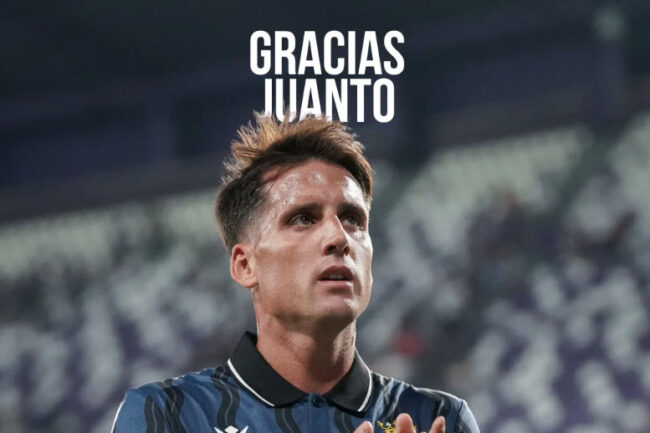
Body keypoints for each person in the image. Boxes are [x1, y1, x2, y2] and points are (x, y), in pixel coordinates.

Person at [112, 114, 480, 433]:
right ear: (245, 265)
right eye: (303, 218)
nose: (339, 237)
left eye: (352, 219)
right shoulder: (166, 414)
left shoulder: (439, 417)